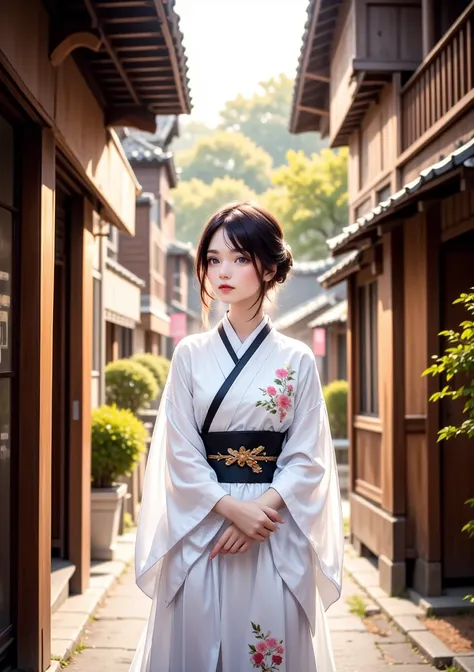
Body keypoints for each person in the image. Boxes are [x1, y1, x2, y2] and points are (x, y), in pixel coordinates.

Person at [130, 202, 343, 672]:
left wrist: (259, 513)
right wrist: (232, 510)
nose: (222, 271)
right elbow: (179, 451)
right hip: (203, 523)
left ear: (269, 267)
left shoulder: (296, 359)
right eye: (213, 259)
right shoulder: (189, 354)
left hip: (274, 527)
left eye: (240, 258)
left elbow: (307, 457)